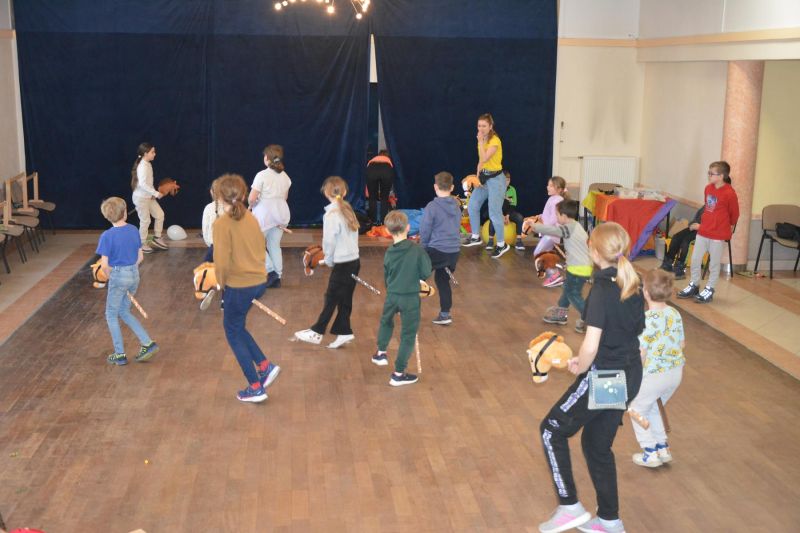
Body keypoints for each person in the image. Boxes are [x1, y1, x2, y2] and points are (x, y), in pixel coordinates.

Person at [538, 222, 644, 533]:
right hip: (628, 374)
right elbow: (632, 335)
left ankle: (569, 506)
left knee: (551, 430)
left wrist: (580, 366)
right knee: (597, 444)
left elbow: (591, 344)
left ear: (594, 253)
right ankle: (610, 520)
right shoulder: (631, 281)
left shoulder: (601, 290)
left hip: (605, 376)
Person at [213, 174, 280, 403]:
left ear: (219, 197)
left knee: (232, 331)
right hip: (259, 281)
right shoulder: (251, 218)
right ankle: (264, 365)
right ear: (243, 195)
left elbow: (221, 262)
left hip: (240, 286)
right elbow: (260, 248)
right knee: (237, 326)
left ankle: (255, 387)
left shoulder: (221, 224)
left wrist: (220, 283)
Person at [294, 176, 361, 349]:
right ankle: (344, 332)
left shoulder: (331, 214)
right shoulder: (348, 209)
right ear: (344, 192)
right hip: (354, 262)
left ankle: (317, 332)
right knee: (344, 299)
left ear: (326, 192)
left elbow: (329, 242)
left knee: (331, 297)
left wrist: (329, 260)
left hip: (343, 264)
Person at [629, 269, 685, 468]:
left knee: (636, 409)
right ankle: (662, 447)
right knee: (652, 407)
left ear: (645, 292)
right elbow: (682, 344)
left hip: (653, 376)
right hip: (675, 373)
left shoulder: (646, 320)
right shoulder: (674, 314)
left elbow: (641, 353)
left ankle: (650, 451)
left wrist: (634, 374)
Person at [371, 210, 433, 386]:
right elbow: (426, 272)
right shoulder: (417, 250)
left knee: (386, 321)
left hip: (392, 295)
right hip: (410, 298)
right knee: (408, 334)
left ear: (388, 231)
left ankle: (381, 352)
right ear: (408, 228)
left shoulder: (389, 252)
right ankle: (398, 374)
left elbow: (387, 277)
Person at [96, 197, 159, 366]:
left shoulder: (107, 236)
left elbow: (104, 265)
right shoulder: (133, 230)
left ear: (106, 216)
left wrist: (111, 276)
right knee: (124, 311)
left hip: (118, 276)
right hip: (134, 274)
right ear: (124, 213)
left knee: (111, 314)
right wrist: (129, 272)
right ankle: (147, 343)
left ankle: (119, 354)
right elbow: (140, 257)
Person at [677, 161, 739, 303]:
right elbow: (708, 209)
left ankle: (710, 289)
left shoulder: (729, 193)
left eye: (712, 173)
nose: (709, 175)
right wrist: (704, 225)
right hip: (703, 231)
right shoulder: (708, 188)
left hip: (717, 235)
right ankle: (694, 284)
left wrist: (723, 226)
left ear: (721, 176)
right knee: (695, 259)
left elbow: (734, 214)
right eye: (709, 173)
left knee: (714, 264)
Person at [534, 200, 592, 333]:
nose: (556, 217)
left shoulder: (569, 228)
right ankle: (561, 315)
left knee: (573, 294)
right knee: (567, 291)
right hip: (578, 267)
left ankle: (591, 319)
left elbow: (554, 230)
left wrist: (536, 227)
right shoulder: (576, 225)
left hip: (578, 269)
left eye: (557, 214)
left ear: (564, 216)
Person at [462, 113, 510, 258]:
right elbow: (480, 162)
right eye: (479, 126)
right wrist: (477, 178)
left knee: (494, 213)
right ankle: (475, 236)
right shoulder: (482, 140)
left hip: (496, 180)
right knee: (472, 205)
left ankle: (501, 244)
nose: (481, 128)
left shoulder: (494, 141)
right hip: (485, 178)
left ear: (490, 126)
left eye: (484, 126)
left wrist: (481, 141)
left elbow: (484, 157)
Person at [419, 171, 461, 326]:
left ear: (435, 187)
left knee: (416, 277)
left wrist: (423, 248)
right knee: (443, 280)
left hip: (436, 250)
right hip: (453, 252)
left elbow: (425, 229)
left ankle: (405, 308)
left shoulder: (432, 207)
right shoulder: (456, 205)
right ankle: (445, 314)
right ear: (452, 187)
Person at [249, 145, 292, 288]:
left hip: (265, 214)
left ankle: (270, 271)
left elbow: (252, 198)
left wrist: (252, 204)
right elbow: (285, 197)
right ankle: (277, 277)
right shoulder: (285, 176)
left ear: (267, 158)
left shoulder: (261, 175)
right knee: (274, 245)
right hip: (281, 213)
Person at [131, 142, 167, 254]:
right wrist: (156, 193)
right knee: (145, 221)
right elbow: (142, 184)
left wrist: (152, 194)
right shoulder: (142, 166)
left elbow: (148, 183)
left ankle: (157, 237)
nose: (154, 154)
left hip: (148, 197)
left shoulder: (148, 164)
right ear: (145, 153)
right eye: (152, 152)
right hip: (141, 198)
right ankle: (142, 244)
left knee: (160, 215)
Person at [523, 176, 568, 257]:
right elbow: (548, 213)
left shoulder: (557, 200)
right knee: (545, 256)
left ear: (559, 189)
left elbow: (554, 219)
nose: (548, 187)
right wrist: (541, 216)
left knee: (538, 254)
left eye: (551, 186)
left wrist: (542, 226)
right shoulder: (552, 198)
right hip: (548, 233)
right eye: (548, 185)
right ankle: (552, 264)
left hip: (551, 234)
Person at [660, 206, 704, 279]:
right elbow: (697, 218)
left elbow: (714, 227)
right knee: (676, 237)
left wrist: (700, 227)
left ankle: (680, 269)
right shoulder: (707, 205)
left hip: (705, 233)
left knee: (686, 242)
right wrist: (693, 224)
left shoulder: (719, 209)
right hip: (696, 228)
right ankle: (668, 263)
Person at [487, 171, 526, 250]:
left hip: (509, 211)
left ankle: (519, 241)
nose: (506, 182)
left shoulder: (512, 189)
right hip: (498, 211)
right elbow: (494, 205)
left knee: (519, 217)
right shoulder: (496, 190)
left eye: (508, 180)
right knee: (493, 218)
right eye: (504, 180)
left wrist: (507, 215)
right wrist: (501, 215)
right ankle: (490, 241)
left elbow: (513, 204)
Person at [366, 150, 395, 225]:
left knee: (372, 198)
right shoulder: (388, 160)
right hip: (386, 170)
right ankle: (383, 221)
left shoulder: (373, 159)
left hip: (372, 169)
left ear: (379, 154)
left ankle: (373, 221)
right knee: (384, 198)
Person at [201, 178, 224, 263]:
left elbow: (205, 231)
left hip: (213, 248)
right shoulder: (232, 208)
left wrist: (211, 244)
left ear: (211, 191)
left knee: (206, 269)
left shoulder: (208, 208)